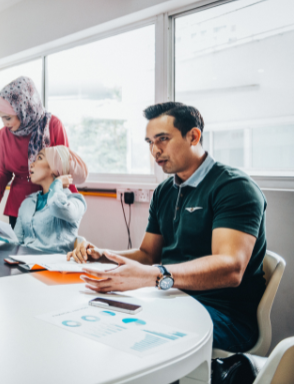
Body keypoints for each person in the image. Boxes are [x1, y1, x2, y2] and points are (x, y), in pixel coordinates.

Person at [68, 102, 267, 353]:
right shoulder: (164, 191)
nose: (155, 150)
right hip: (168, 297)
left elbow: (231, 268)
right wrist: (102, 255)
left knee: (129, 334)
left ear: (193, 136)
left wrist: (154, 275)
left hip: (223, 315)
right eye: (149, 142)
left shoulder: (234, 187)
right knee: (98, 314)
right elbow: (148, 255)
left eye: (162, 139)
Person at [0, 76, 78, 228]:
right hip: (19, 205)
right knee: (17, 250)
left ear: (24, 109)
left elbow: (64, 167)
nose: (5, 124)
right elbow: (3, 173)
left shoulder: (53, 125)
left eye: (8, 118)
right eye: (2, 119)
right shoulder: (3, 135)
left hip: (50, 201)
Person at [15, 146, 88, 253]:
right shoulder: (27, 203)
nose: (31, 164)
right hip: (25, 264)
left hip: (56, 267)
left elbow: (57, 207)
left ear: (55, 167)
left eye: (39, 158)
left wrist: (57, 183)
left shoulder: (76, 201)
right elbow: (16, 240)